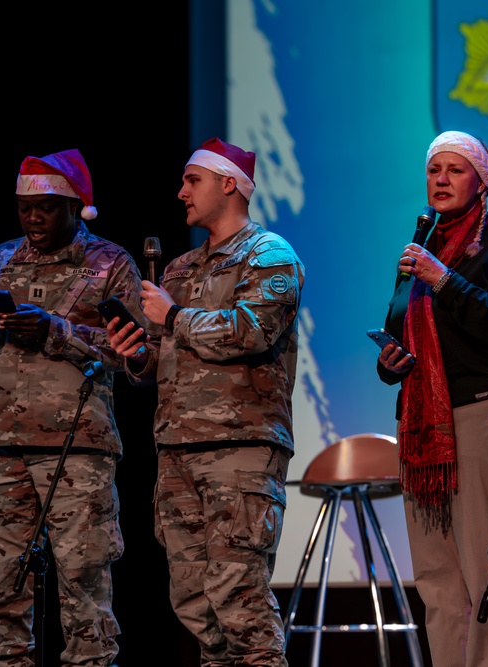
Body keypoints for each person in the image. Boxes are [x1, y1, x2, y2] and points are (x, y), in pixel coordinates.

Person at [106, 137, 305, 666]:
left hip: (239, 448)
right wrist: (135, 355)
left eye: (192, 181)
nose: (180, 192)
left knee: (239, 600)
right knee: (195, 605)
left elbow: (251, 331)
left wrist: (172, 318)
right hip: (178, 448)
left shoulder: (269, 255)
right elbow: (158, 359)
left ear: (229, 184)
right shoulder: (177, 270)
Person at [0, 148, 143, 667]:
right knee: (3, 585)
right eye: (24, 209)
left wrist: (58, 333)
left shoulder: (109, 263)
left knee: (83, 582)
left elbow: (136, 353)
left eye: (47, 208)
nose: (33, 218)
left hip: (77, 446)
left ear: (75, 206)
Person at [376, 130, 488, 667]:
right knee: (438, 583)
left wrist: (444, 280)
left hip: (486, 413)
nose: (441, 179)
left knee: (487, 574)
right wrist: (390, 361)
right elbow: (399, 329)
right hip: (424, 430)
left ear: (482, 180)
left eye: (455, 170)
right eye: (433, 170)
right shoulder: (421, 248)